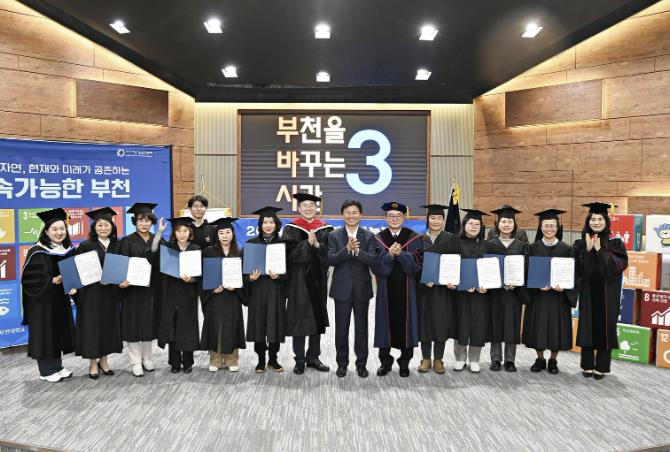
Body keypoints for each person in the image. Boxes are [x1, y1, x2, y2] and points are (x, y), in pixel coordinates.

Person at [20, 208, 76, 382]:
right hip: (41, 301)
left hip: (59, 299)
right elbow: (29, 280)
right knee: (45, 332)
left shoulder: (65, 249)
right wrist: (51, 281)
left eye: (62, 229)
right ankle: (46, 370)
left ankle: (57, 366)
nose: (59, 233)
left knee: (57, 331)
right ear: (46, 231)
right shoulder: (37, 251)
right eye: (55, 229)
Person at [574, 202, 628, 380]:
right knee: (587, 327)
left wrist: (599, 250)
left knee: (606, 327)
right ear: (588, 221)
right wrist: (588, 251)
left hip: (608, 294)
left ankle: (602, 367)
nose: (596, 222)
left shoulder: (615, 243)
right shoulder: (580, 243)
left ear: (606, 221)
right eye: (593, 219)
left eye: (600, 219)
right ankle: (587, 365)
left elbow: (617, 267)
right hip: (588, 292)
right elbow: (580, 271)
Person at [327, 199, 379, 378]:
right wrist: (346, 249)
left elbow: (373, 260)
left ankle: (361, 364)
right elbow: (330, 259)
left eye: (354, 212)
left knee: (361, 329)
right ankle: (342, 364)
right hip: (341, 288)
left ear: (360, 215)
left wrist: (357, 251)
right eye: (348, 213)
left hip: (362, 289)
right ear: (342, 215)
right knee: (341, 329)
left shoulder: (369, 235)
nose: (351, 216)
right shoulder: (334, 235)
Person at [282, 193, 333, 374]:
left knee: (316, 318)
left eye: (312, 205)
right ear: (299, 208)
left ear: (316, 208)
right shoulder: (291, 228)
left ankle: (313, 357)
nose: (308, 208)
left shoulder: (326, 228)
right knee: (299, 319)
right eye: (305, 205)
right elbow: (288, 255)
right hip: (299, 281)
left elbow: (330, 254)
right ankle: (300, 359)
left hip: (318, 280)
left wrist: (317, 246)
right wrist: (307, 244)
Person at [522, 209, 578, 374]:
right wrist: (535, 285)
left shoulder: (567, 249)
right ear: (540, 227)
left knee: (556, 329)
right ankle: (540, 359)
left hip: (558, 298)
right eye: (546, 226)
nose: (549, 229)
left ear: (557, 227)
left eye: (552, 226)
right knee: (537, 328)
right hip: (538, 296)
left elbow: (574, 275)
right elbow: (525, 272)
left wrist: (565, 286)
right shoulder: (532, 248)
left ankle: (553, 360)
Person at [372, 202, 422, 378]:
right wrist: (389, 255)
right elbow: (376, 267)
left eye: (398, 216)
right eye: (391, 216)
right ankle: (385, 362)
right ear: (386, 218)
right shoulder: (378, 239)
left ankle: (404, 362)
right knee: (384, 324)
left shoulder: (414, 238)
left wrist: (401, 255)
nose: (394, 219)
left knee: (407, 324)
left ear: (404, 218)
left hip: (408, 291)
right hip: (385, 290)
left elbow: (416, 267)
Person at [72, 207, 123, 379]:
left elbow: (122, 267)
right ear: (94, 227)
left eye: (107, 225)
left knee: (108, 327)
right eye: (99, 225)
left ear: (112, 227)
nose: (103, 228)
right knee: (92, 328)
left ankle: (104, 361)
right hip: (91, 294)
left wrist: (118, 280)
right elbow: (77, 269)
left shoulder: (117, 245)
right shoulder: (86, 245)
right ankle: (93, 364)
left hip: (110, 293)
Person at [149, 217, 201, 373]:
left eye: (185, 231)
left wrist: (192, 279)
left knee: (187, 328)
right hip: (170, 293)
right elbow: (152, 252)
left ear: (190, 232)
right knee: (172, 328)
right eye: (178, 231)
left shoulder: (196, 249)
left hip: (188, 294)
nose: (182, 234)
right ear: (174, 233)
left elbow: (201, 274)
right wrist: (159, 232)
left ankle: (188, 362)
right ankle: (175, 362)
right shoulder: (168, 248)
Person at [117, 202, 162, 377]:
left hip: (151, 289)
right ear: (135, 221)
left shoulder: (157, 239)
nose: (144, 223)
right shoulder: (126, 241)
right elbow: (122, 264)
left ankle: (147, 358)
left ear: (152, 222)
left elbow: (162, 262)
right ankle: (135, 361)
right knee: (133, 325)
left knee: (148, 324)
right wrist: (123, 280)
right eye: (140, 220)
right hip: (132, 290)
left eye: (147, 220)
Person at [485, 205, 528, 373]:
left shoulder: (521, 245)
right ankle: (495, 359)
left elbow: (525, 267)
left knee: (512, 324)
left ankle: (510, 360)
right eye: (504, 221)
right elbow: (486, 266)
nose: (507, 224)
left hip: (513, 293)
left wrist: (517, 282)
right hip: (495, 292)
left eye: (510, 222)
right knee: (495, 324)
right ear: (498, 224)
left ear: (514, 224)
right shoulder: (490, 244)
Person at [201, 217, 246, 372]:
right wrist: (212, 289)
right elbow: (203, 275)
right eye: (221, 233)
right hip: (215, 296)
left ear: (233, 234)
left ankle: (232, 359)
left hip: (233, 296)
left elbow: (244, 276)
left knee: (232, 325)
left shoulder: (239, 252)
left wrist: (237, 287)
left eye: (228, 232)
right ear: (217, 235)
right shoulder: (208, 252)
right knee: (215, 326)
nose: (225, 236)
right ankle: (215, 360)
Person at [245, 206, 287, 373]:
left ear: (276, 224)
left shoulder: (283, 245)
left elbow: (290, 271)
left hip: (276, 290)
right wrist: (250, 278)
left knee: (275, 324)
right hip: (258, 290)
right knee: (259, 325)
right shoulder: (251, 244)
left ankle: (273, 359)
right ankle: (261, 359)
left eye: (271, 222)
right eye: (265, 222)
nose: (268, 225)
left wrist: (280, 276)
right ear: (260, 225)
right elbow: (245, 271)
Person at [417, 204, 458, 374]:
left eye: (439, 218)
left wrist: (453, 281)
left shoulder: (451, 239)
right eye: (432, 218)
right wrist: (422, 279)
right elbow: (414, 264)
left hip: (443, 291)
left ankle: (439, 359)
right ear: (428, 220)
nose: (435, 221)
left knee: (441, 323)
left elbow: (457, 262)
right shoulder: (419, 239)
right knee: (425, 323)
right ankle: (426, 358)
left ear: (443, 220)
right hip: (425, 290)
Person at [453, 209, 490, 373]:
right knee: (460, 323)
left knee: (477, 324)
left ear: (481, 227)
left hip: (480, 294)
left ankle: (474, 359)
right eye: (470, 223)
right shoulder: (455, 242)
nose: (474, 226)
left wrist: (487, 285)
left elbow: (491, 268)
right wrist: (459, 284)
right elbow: (451, 266)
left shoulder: (486, 245)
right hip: (461, 292)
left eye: (477, 224)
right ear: (464, 225)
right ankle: (460, 358)